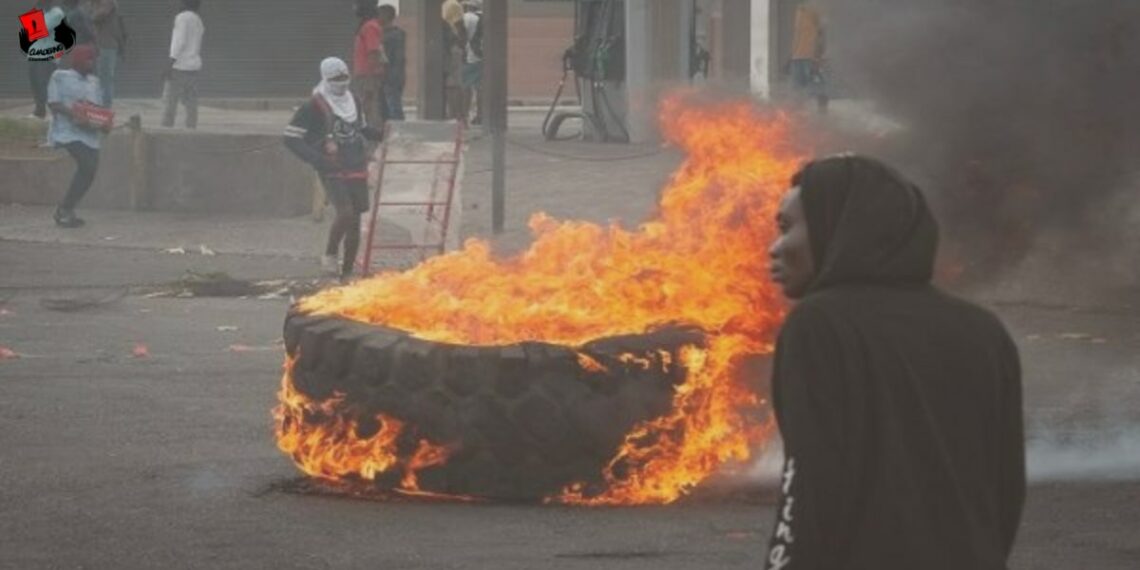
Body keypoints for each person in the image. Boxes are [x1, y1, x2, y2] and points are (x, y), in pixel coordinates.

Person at [763, 154, 1025, 569]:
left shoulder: (819, 324)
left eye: (787, 227)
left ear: (839, 228)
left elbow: (811, 482)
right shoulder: (983, 329)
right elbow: (1006, 486)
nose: (774, 248)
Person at [283, 57, 383, 280]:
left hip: (356, 163)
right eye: (336, 79)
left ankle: (347, 272)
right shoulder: (314, 105)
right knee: (345, 213)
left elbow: (362, 128)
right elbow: (291, 138)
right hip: (331, 167)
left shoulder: (354, 101)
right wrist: (317, 159)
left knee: (355, 220)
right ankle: (330, 255)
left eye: (345, 77)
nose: (342, 83)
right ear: (326, 79)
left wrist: (385, 134)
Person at [47, 44, 110, 228]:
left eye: (93, 59)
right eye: (88, 59)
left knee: (90, 172)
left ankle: (66, 209)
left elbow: (98, 108)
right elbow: (54, 104)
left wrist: (105, 121)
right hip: (67, 133)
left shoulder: (94, 82)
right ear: (78, 60)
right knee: (87, 165)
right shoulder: (60, 77)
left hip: (90, 134)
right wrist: (76, 114)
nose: (91, 63)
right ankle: (64, 209)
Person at [162, 0, 204, 129]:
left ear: (186, 3)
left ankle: (166, 129)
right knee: (191, 102)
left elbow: (179, 41)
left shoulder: (182, 18)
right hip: (193, 67)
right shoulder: (198, 20)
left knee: (170, 101)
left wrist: (170, 63)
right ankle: (191, 129)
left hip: (179, 67)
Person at [352, 0, 387, 129]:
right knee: (367, 108)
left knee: (371, 109)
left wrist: (369, 79)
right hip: (365, 75)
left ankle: (374, 140)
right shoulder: (367, 25)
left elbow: (373, 53)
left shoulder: (370, 27)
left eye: (357, 5)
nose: (354, 8)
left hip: (367, 75)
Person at [788, 0, 827, 113]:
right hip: (797, 58)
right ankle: (799, 121)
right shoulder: (799, 9)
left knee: (820, 89)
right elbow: (798, 35)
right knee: (797, 93)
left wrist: (818, 56)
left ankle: (823, 117)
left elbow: (822, 33)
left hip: (811, 57)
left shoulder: (816, 7)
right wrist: (791, 55)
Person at [89, 0, 127, 107]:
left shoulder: (107, 3)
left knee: (105, 78)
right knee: (101, 77)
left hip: (106, 46)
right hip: (102, 46)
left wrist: (93, 5)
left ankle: (105, 105)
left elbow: (96, 17)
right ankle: (101, 103)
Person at [379, 4, 406, 122]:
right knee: (389, 106)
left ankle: (399, 132)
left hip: (391, 76)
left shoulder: (391, 35)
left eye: (379, 14)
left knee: (393, 107)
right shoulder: (396, 33)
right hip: (393, 75)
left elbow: (396, 58)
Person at [441, 0, 467, 123]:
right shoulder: (454, 5)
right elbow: (459, 25)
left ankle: (450, 114)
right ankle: (458, 116)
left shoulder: (443, 6)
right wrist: (462, 45)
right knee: (455, 85)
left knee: (448, 85)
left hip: (444, 48)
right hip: (453, 48)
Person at [461, 0, 484, 125]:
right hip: (481, 56)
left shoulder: (466, 17)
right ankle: (480, 115)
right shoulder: (482, 17)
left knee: (466, 87)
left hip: (469, 56)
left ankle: (464, 116)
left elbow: (461, 36)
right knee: (480, 88)